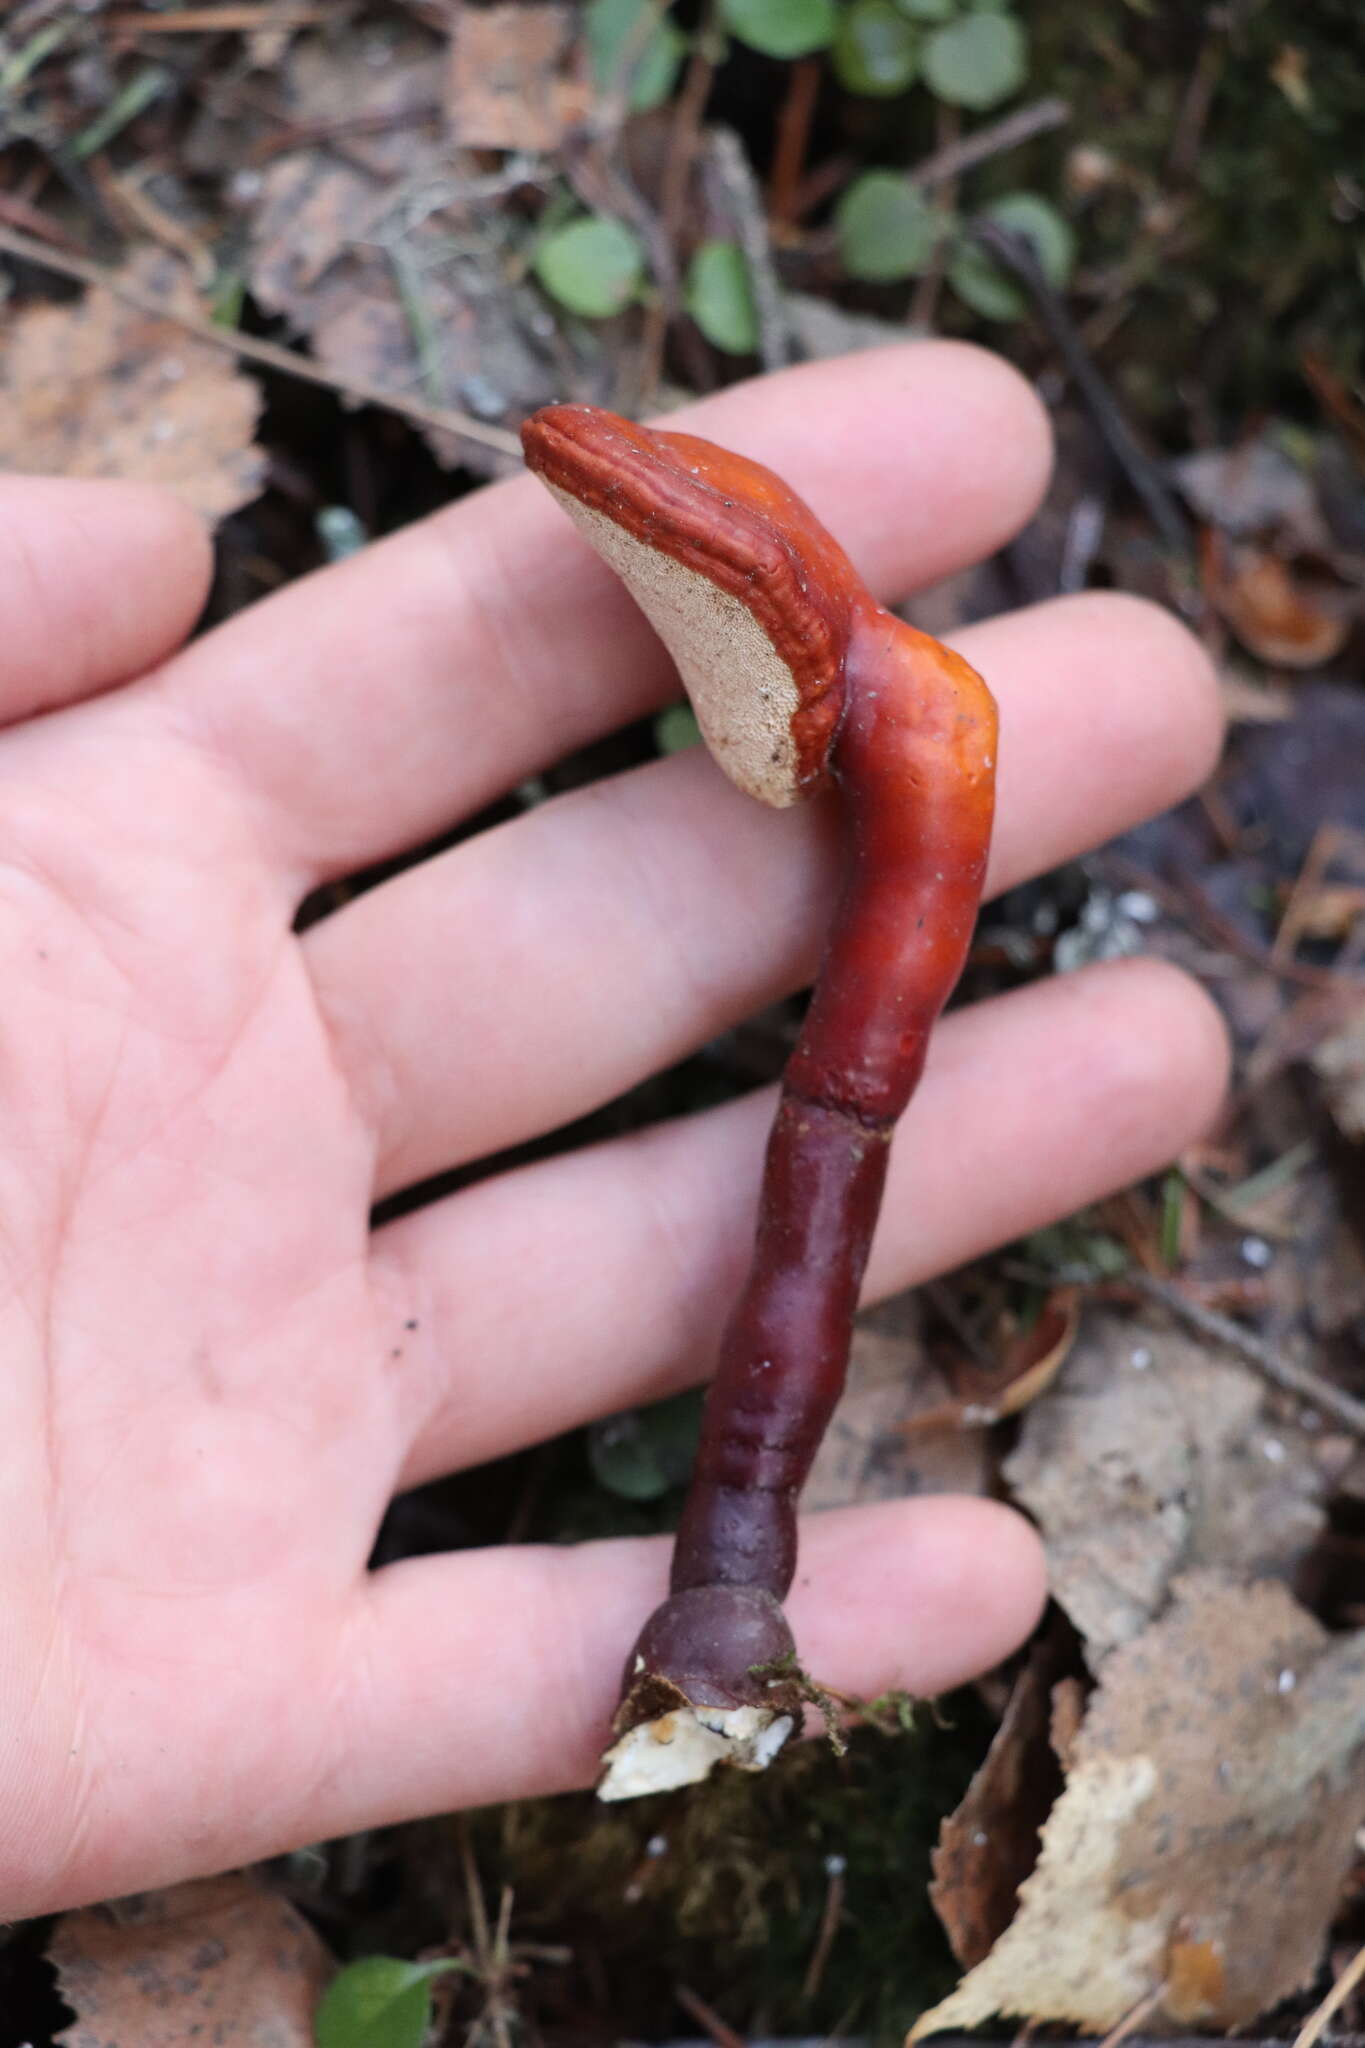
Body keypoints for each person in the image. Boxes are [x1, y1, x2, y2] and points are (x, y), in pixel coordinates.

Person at [0, 343, 1228, 1918]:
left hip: (891, 762)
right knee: (827, 1181)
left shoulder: (912, 710)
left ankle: (726, 1623)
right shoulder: (881, 695)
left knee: (839, 1163)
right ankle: (721, 1619)